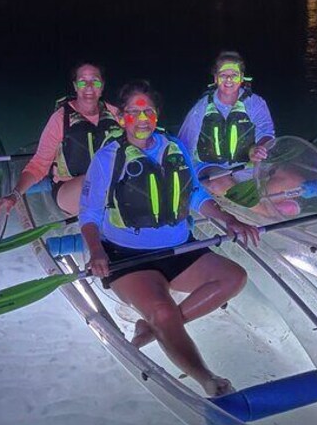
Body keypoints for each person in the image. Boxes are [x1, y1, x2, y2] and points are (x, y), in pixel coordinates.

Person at [80, 80, 259, 397]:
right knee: (163, 310)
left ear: (156, 115)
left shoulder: (174, 147)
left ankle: (154, 329)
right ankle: (207, 379)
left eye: (148, 110)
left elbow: (195, 196)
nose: (142, 117)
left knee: (234, 277)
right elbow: (90, 215)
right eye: (134, 112)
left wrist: (229, 219)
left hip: (179, 247)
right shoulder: (108, 158)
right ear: (122, 118)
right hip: (127, 256)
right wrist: (96, 251)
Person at [178, 51, 298, 216]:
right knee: (219, 182)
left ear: (241, 78)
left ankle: (251, 200)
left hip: (248, 165)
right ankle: (268, 211)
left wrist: (259, 149)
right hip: (212, 167)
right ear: (215, 78)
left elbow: (267, 132)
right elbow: (184, 143)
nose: (228, 80)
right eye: (223, 75)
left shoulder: (256, 103)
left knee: (293, 179)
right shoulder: (202, 107)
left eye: (234, 75)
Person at [0, 63, 121, 216]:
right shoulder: (60, 119)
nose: (89, 87)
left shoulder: (116, 114)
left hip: (111, 186)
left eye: (95, 81)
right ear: (75, 86)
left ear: (102, 86)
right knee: (93, 183)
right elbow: (39, 165)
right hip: (69, 189)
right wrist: (15, 195)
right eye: (82, 81)